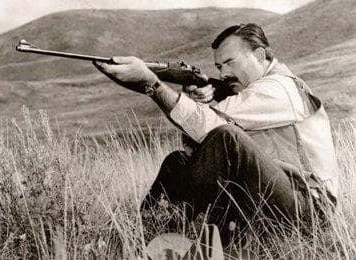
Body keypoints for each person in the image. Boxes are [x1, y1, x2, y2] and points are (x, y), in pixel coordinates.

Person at [93, 23, 339, 246]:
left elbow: (210, 128)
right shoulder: (255, 88)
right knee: (177, 163)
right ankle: (143, 240)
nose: (223, 74)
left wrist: (152, 84)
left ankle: (174, 237)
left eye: (230, 62)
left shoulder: (280, 88)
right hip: (276, 198)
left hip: (311, 211)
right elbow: (196, 143)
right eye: (220, 67)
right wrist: (210, 93)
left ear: (260, 55)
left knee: (226, 137)